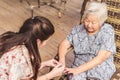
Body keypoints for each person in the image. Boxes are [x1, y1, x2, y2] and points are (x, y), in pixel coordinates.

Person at [58, 1, 116, 80]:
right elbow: (64, 44)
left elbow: (101, 58)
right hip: (79, 66)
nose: (89, 25)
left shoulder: (107, 31)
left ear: (101, 21)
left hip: (100, 68)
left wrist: (76, 70)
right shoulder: (78, 29)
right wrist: (62, 61)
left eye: (93, 22)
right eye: (87, 21)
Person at [0, 16, 64, 80]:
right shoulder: (23, 58)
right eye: (46, 41)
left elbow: (18, 71)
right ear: (38, 41)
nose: (45, 43)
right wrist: (50, 75)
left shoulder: (9, 38)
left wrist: (43, 64)